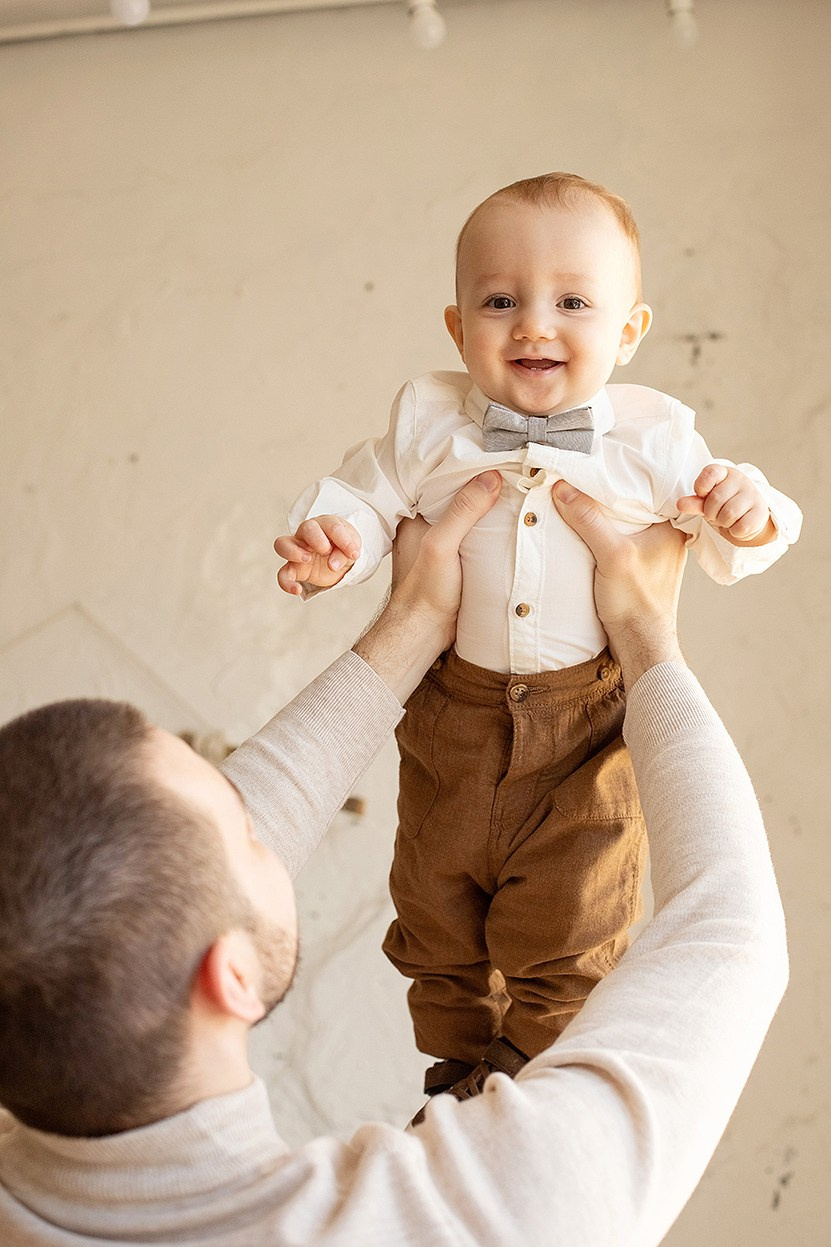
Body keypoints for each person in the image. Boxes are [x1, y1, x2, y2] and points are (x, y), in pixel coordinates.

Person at [0, 472, 787, 1246]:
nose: (262, 821)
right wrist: (648, 640)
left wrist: (413, 625)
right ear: (228, 976)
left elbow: (150, 880)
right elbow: (731, 934)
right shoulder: (497, 1215)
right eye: (243, 829)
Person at [274, 172, 802, 1108]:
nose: (532, 325)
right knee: (433, 917)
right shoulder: (428, 420)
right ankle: (452, 1075)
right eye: (499, 301)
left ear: (628, 332)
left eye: (571, 302)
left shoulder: (653, 438)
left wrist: (746, 510)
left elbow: (738, 536)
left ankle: (523, 1079)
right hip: (449, 721)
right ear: (456, 327)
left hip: (584, 734)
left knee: (571, 925)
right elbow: (364, 495)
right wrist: (335, 542)